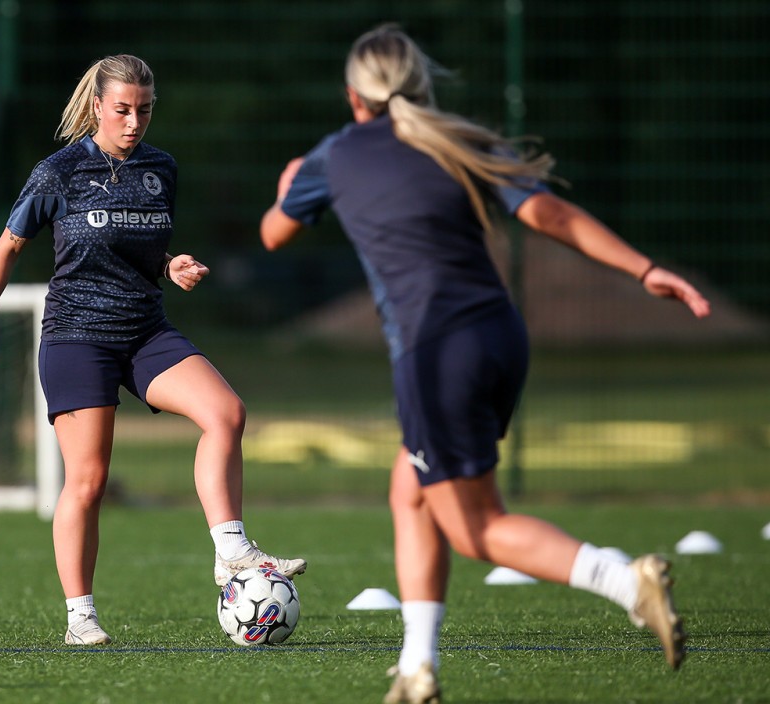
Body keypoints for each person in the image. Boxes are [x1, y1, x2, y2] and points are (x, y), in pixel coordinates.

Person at [260, 25, 709, 704]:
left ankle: (625, 581)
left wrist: (290, 185)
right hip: (500, 337)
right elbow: (551, 215)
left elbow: (273, 233)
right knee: (409, 489)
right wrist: (643, 268)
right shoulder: (457, 138)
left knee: (475, 528)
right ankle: (416, 668)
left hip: (434, 354)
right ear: (420, 84)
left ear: (353, 95)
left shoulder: (335, 155)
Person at [0, 54, 306, 647]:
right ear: (97, 106)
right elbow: (8, 246)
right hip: (77, 336)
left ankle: (230, 552)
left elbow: (141, 249)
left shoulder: (160, 168)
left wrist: (174, 264)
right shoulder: (58, 171)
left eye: (144, 110)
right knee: (88, 481)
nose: (134, 121)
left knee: (226, 413)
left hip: (145, 330)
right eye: (122, 109)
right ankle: (80, 617)